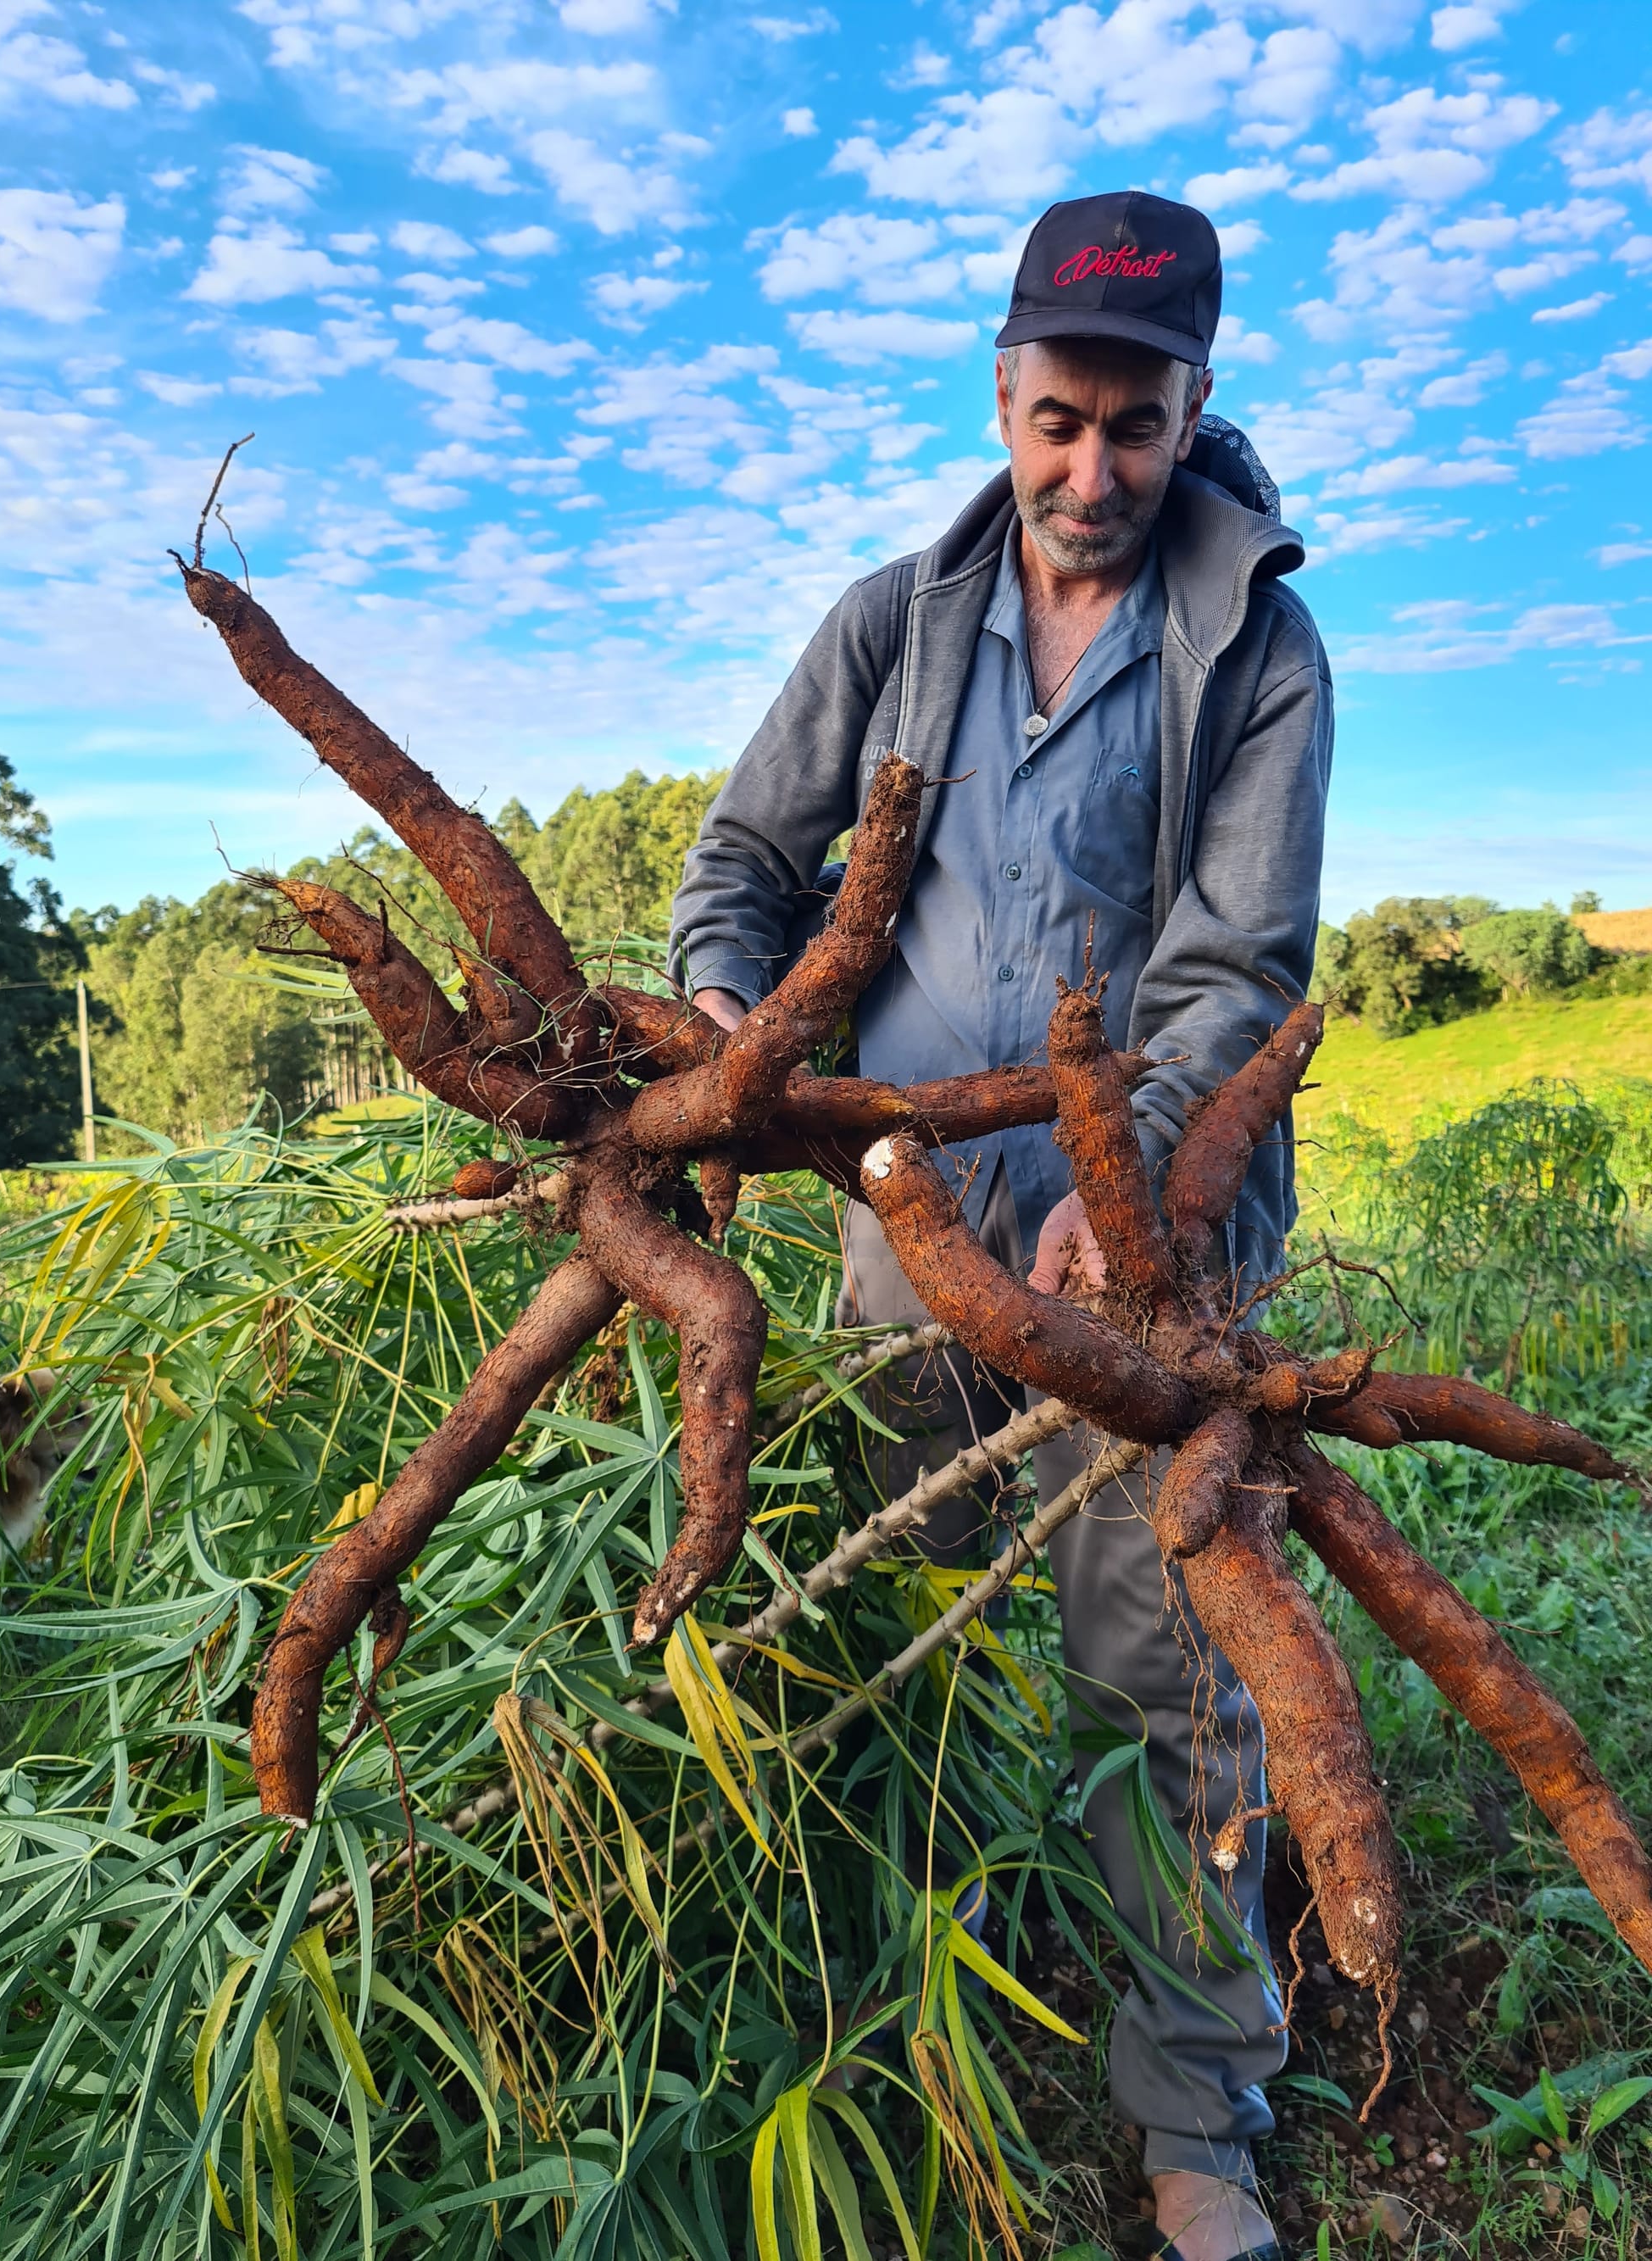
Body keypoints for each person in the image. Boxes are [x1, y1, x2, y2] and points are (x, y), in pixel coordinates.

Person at [669, 188, 1332, 2261]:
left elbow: (1238, 965)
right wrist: (721, 1022)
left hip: (1154, 1262)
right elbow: (742, 864)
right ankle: (924, 2018)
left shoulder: (1260, 646)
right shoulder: (891, 621)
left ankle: (1193, 2116)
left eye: (1135, 428)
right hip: (902, 1233)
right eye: (1057, 420)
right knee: (904, 1650)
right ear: (999, 391)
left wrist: (1122, 1190)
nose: (1089, 473)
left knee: (1170, 1667)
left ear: (1195, 403)